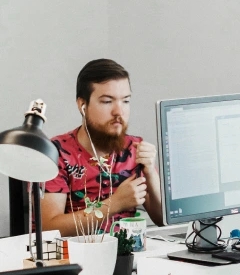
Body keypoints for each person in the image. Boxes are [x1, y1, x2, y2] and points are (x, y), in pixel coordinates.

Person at [41, 59, 163, 236]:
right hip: (79, 256)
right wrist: (116, 203)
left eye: (126, 101)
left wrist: (151, 173)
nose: (119, 112)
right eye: (107, 101)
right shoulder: (57, 152)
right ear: (82, 106)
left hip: (129, 256)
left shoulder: (134, 148)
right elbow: (50, 228)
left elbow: (162, 219)